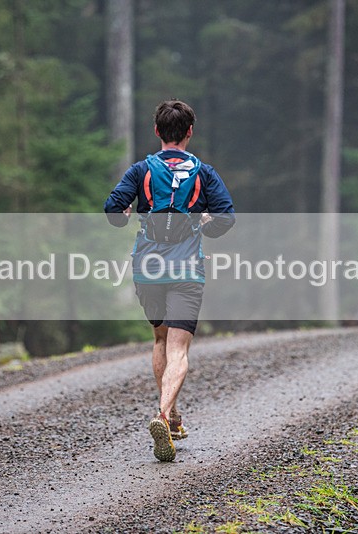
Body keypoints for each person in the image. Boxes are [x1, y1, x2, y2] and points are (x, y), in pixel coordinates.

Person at [104, 100, 235, 462]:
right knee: (179, 349)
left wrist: (125, 215)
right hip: (187, 269)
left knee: (160, 339)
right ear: (190, 132)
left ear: (157, 131)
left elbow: (113, 210)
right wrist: (206, 225)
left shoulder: (141, 170)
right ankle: (163, 415)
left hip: (147, 267)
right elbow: (227, 218)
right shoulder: (204, 172)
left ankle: (173, 417)